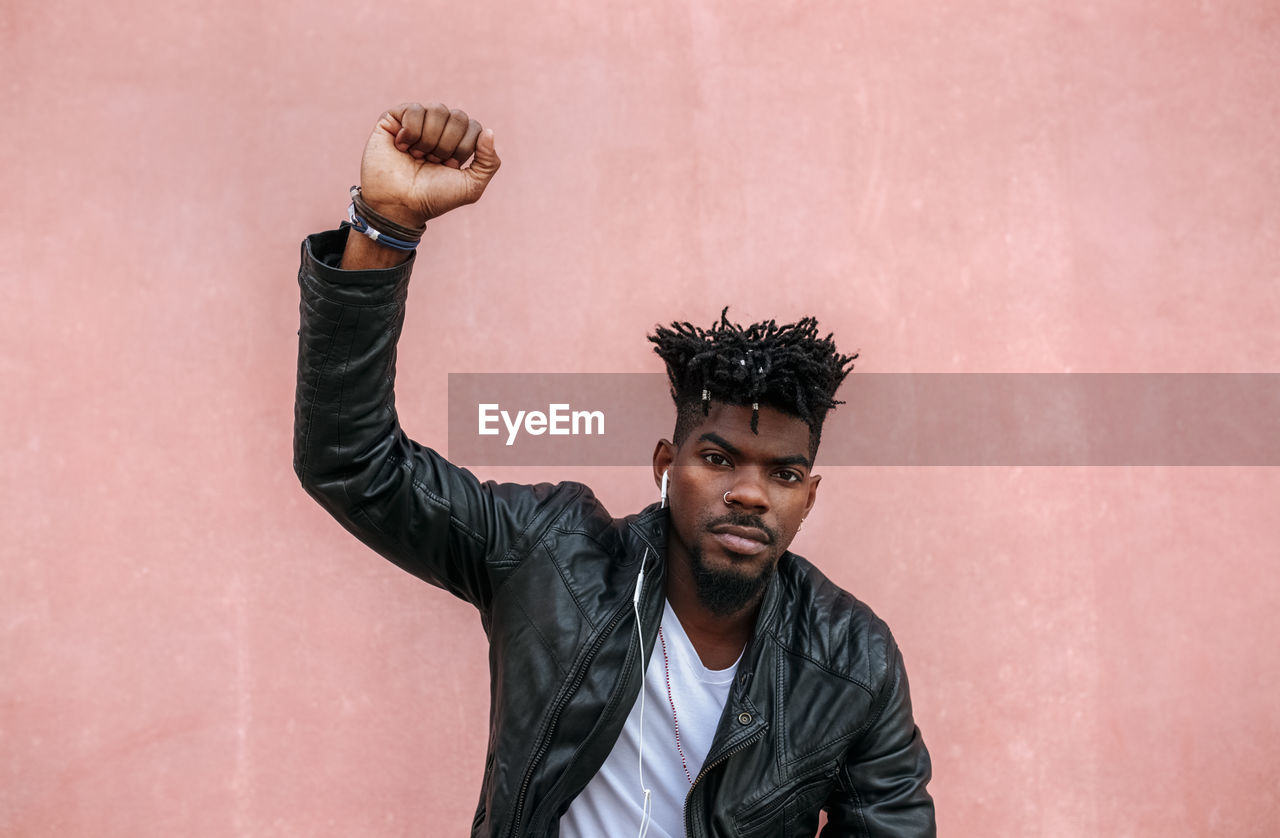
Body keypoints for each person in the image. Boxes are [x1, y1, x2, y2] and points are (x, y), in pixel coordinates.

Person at [294, 101, 935, 837]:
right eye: (719, 458)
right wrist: (385, 228)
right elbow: (352, 462)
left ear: (809, 496)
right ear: (667, 463)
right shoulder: (551, 557)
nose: (752, 494)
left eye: (784, 474)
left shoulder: (853, 658)